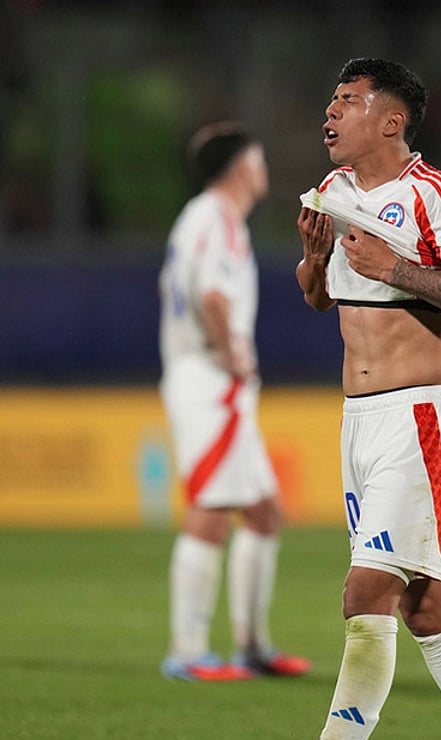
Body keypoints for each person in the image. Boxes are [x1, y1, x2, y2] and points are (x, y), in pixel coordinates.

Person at [234, 59, 441, 740]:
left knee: (366, 590)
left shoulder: (434, 194)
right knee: (426, 604)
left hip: (422, 419)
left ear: (391, 119)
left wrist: (398, 266)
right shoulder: (333, 193)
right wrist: (314, 264)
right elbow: (323, 297)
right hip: (359, 424)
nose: (330, 113)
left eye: (348, 100)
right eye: (331, 99)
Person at [157, 121, 311, 682]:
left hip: (213, 380)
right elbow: (212, 295)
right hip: (210, 380)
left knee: (265, 511)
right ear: (244, 167)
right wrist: (233, 356)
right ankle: (189, 649)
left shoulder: (207, 219)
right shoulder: (215, 218)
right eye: (259, 158)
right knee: (213, 507)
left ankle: (251, 645)